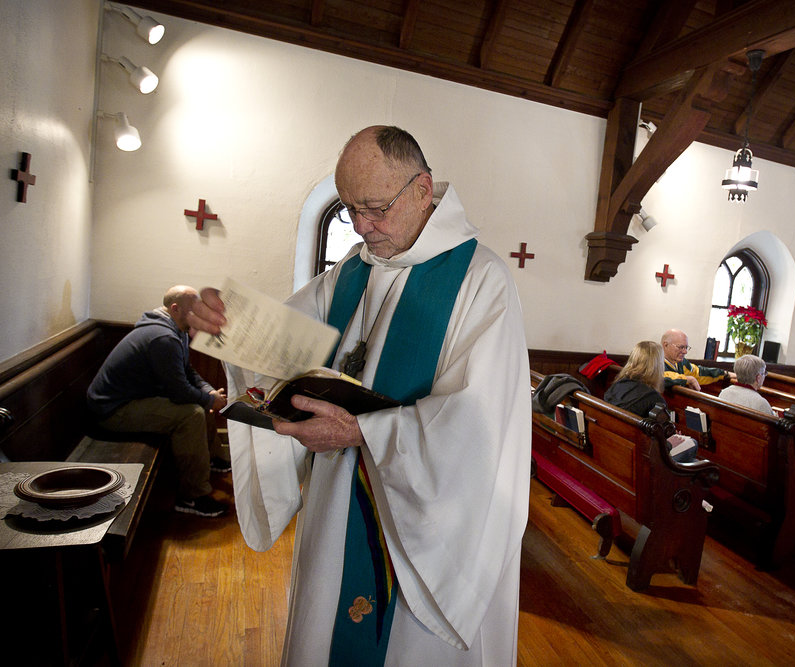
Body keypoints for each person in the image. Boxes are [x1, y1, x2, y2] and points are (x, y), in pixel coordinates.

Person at [189, 126, 530, 666]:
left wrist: (360, 432)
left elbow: (480, 425)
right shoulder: (354, 270)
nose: (362, 227)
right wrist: (226, 322)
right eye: (349, 209)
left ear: (422, 189)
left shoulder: (481, 280)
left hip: (419, 529)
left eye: (375, 208)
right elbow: (285, 342)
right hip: (336, 500)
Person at [86, 285, 229, 518]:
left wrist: (209, 393)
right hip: (112, 410)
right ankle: (192, 497)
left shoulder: (176, 330)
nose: (199, 312)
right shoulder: (162, 337)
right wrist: (208, 400)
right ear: (175, 308)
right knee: (191, 413)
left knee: (200, 405)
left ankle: (215, 460)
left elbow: (187, 372)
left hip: (132, 401)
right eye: (194, 308)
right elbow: (179, 392)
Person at [604, 341, 698, 462]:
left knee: (692, 462)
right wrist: (670, 442)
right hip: (637, 456)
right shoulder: (653, 398)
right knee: (692, 443)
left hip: (612, 443)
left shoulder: (617, 385)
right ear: (658, 365)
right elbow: (655, 444)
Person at [661, 329, 734, 390]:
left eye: (686, 347)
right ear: (666, 345)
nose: (685, 351)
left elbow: (699, 373)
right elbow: (659, 377)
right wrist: (687, 379)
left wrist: (725, 374)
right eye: (681, 347)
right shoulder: (655, 362)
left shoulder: (681, 363)